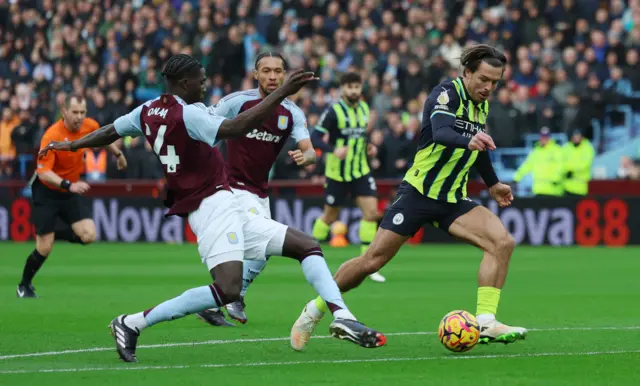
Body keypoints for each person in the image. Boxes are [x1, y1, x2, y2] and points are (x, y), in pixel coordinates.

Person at [40, 55, 385, 362]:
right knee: (227, 288)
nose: (206, 84)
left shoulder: (147, 111)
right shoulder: (190, 113)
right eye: (201, 80)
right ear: (184, 83)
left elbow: (109, 131)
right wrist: (282, 93)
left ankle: (342, 315)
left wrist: (71, 144)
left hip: (227, 200)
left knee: (306, 244)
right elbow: (236, 127)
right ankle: (132, 322)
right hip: (211, 206)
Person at [290, 44, 527, 351]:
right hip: (418, 194)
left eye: (495, 82)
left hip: (453, 199)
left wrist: (493, 184)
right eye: (483, 79)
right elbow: (442, 131)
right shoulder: (446, 94)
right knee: (371, 261)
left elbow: (478, 147)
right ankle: (314, 310)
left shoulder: (481, 104)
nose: (488, 87)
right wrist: (471, 138)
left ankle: (485, 322)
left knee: (502, 243)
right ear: (466, 72)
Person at [200, 52, 317, 326]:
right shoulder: (237, 102)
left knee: (260, 251)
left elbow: (309, 150)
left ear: (285, 75)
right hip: (231, 187)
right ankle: (233, 295)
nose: (272, 76)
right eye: (266, 71)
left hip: (259, 191)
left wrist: (307, 157)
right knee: (267, 243)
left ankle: (215, 301)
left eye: (278, 71)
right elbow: (204, 126)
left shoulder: (292, 113)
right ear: (256, 74)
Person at [17, 94, 127, 298]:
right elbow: (43, 173)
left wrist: (118, 155)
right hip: (47, 191)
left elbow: (103, 136)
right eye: (75, 112)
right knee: (44, 249)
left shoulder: (88, 125)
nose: (79, 117)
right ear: (64, 112)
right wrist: (69, 185)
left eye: (82, 112)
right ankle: (24, 285)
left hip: (70, 190)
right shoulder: (52, 136)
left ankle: (53, 233)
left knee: (89, 236)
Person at [310, 72, 385, 283]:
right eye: (349, 87)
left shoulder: (364, 109)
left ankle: (368, 265)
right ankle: (307, 254)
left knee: (371, 213)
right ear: (342, 89)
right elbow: (315, 137)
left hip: (360, 170)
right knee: (329, 217)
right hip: (337, 173)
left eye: (356, 87)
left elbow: (361, 136)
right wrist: (333, 149)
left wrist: (368, 147)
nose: (353, 91)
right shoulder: (333, 111)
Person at [513, 127, 564, 197]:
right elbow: (527, 165)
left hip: (553, 190)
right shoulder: (536, 152)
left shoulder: (556, 150)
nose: (544, 139)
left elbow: (561, 166)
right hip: (539, 190)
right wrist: (517, 178)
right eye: (542, 136)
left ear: (549, 138)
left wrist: (556, 179)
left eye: (546, 137)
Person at [562, 129, 595, 196]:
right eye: (574, 137)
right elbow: (561, 163)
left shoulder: (587, 147)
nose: (576, 139)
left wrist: (570, 169)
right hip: (567, 187)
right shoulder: (566, 147)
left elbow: (584, 165)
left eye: (578, 137)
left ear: (582, 137)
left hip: (582, 188)